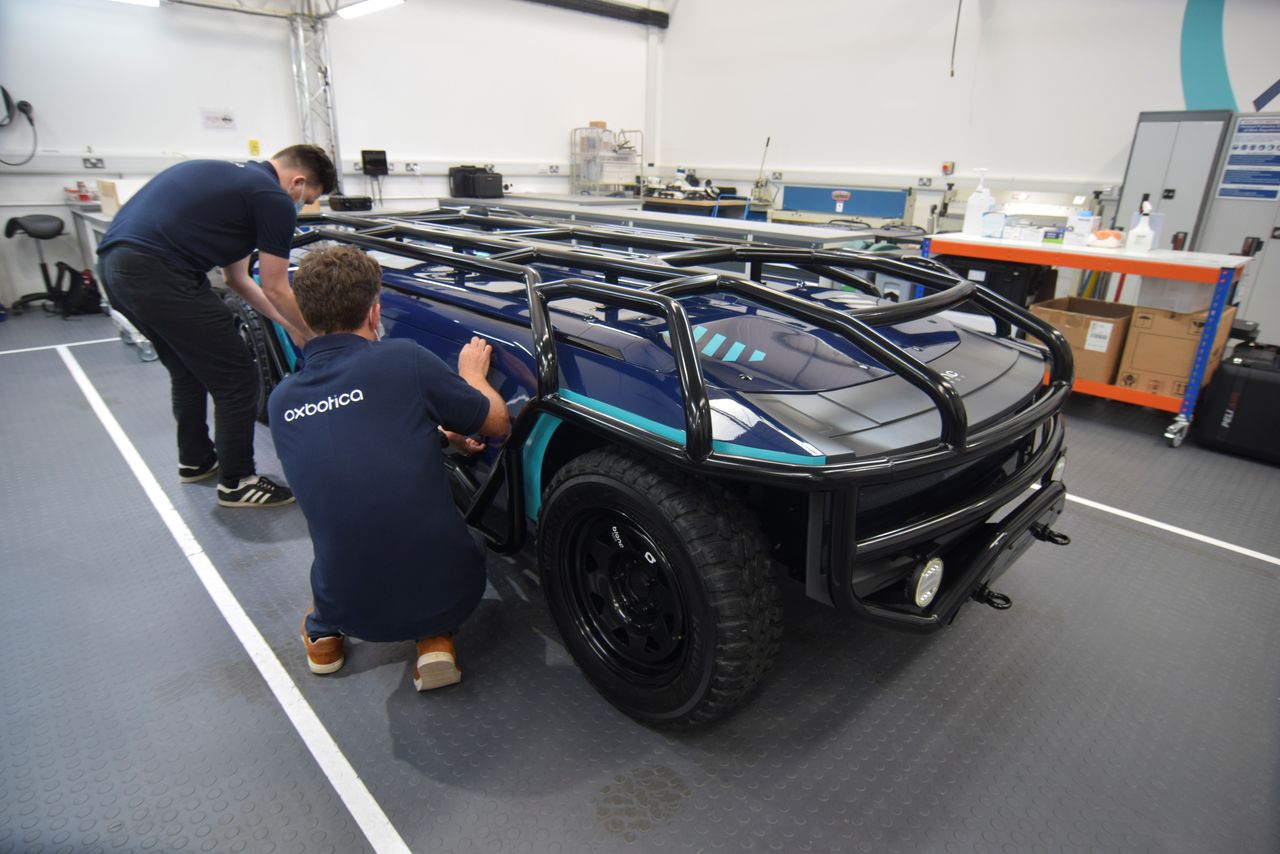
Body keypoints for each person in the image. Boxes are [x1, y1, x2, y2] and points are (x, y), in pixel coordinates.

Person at [267, 245, 509, 691]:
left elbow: (343, 457)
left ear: (305, 313)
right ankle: (435, 638)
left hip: (348, 604)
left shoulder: (282, 401)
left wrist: (438, 436)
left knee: (339, 541)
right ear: (375, 311)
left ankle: (324, 639)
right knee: (467, 535)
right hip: (450, 592)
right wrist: (473, 378)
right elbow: (496, 423)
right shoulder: (404, 359)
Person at [97, 144, 337, 508]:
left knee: (186, 370)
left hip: (117, 270)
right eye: (308, 198)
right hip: (159, 272)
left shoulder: (235, 186)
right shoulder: (271, 196)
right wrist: (312, 335)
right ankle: (238, 481)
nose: (301, 205)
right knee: (238, 377)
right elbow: (275, 285)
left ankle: (195, 460)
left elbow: (238, 278)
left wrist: (284, 323)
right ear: (299, 181)